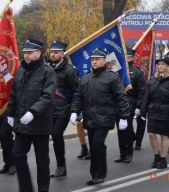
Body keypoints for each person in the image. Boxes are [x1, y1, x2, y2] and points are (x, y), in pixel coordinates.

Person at [70, 48, 129, 185]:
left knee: (97, 143)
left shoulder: (112, 78)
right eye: (92, 59)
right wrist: (74, 111)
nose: (94, 61)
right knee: (93, 145)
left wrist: (124, 117)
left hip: (105, 117)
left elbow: (121, 98)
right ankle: (94, 174)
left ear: (104, 60)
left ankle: (99, 174)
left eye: (97, 59)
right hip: (90, 118)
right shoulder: (85, 78)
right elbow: (78, 97)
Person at [6, 39, 56, 192]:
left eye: (29, 52)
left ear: (38, 53)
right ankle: (26, 188)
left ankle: (43, 189)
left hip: (40, 123)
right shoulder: (21, 70)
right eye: (25, 53)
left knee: (42, 161)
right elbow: (14, 93)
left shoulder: (48, 71)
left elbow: (48, 96)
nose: (26, 55)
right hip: (23, 123)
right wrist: (10, 113)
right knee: (17, 154)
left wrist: (33, 112)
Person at [141, 56, 169, 169]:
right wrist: (143, 111)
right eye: (158, 64)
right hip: (153, 111)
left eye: (163, 64)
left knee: (164, 136)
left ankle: (163, 159)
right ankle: (156, 156)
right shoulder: (153, 80)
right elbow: (147, 96)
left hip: (166, 111)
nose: (160, 66)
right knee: (151, 134)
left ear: (167, 66)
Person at [48, 40, 79, 177]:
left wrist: (75, 110)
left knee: (56, 134)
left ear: (62, 53)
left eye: (56, 52)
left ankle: (61, 166)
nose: (53, 54)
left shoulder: (69, 71)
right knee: (51, 136)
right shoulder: (47, 68)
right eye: (52, 52)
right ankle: (55, 165)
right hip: (49, 109)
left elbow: (77, 91)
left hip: (64, 109)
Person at [114, 48, 146, 163]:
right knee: (120, 128)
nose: (126, 58)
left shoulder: (137, 72)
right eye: (125, 56)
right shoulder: (118, 69)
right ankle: (122, 153)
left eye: (128, 56)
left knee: (127, 127)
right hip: (118, 103)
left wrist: (139, 106)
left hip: (131, 103)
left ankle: (129, 153)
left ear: (133, 58)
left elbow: (142, 90)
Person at [0, 111, 16, 175]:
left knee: (6, 135)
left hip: (10, 110)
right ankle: (7, 163)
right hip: (0, 111)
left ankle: (13, 163)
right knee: (2, 139)